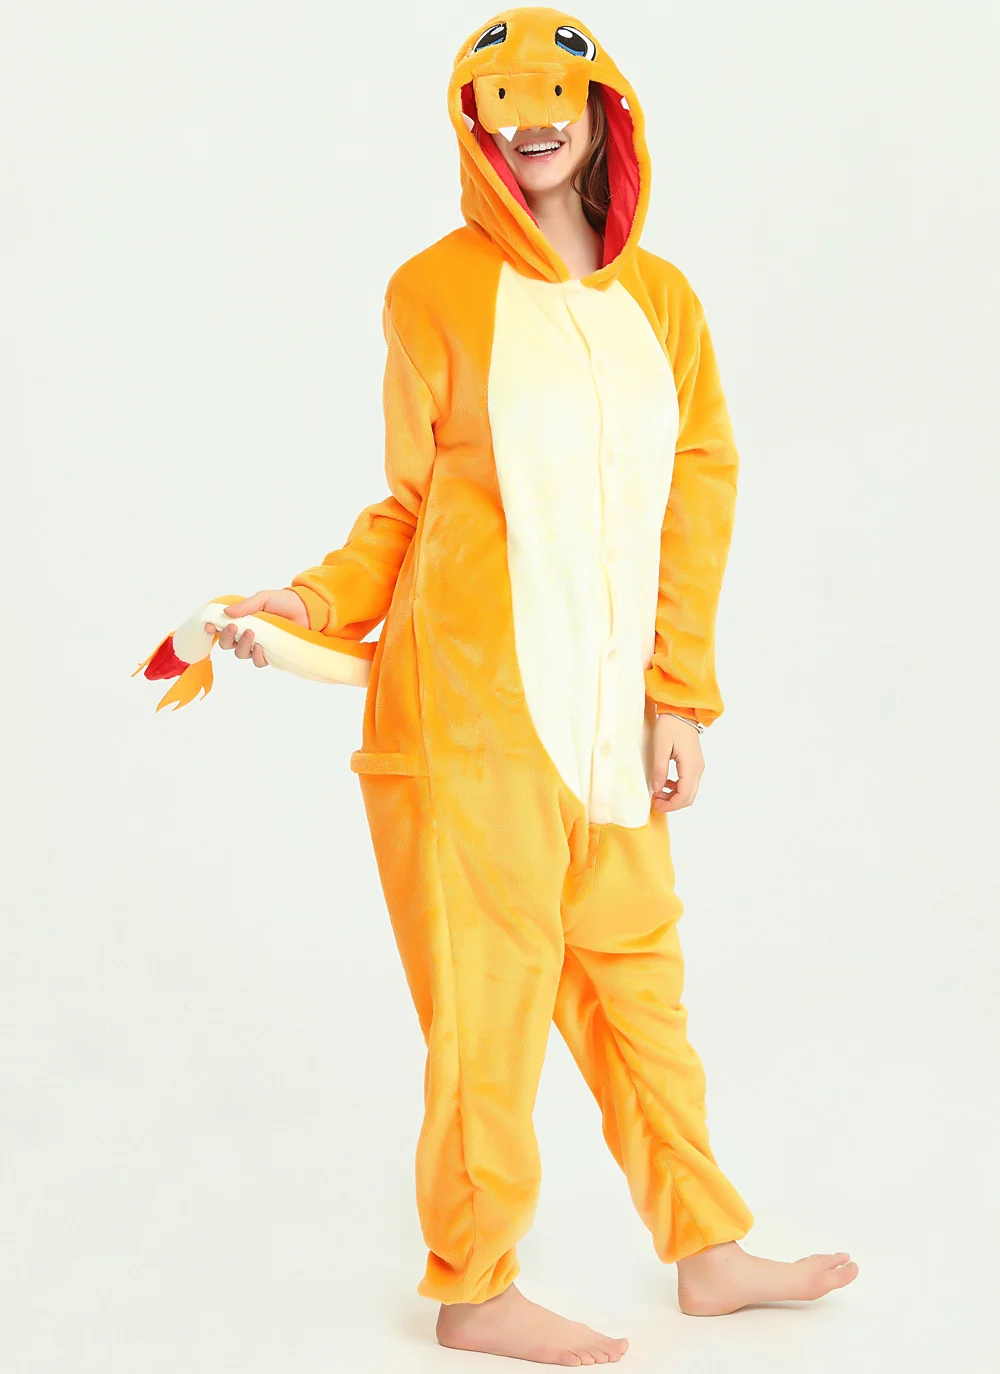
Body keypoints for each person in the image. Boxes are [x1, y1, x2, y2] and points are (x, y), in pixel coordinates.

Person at [209, 9, 858, 1367]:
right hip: (471, 722)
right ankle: (474, 1285)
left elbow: (699, 496)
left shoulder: (663, 302)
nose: (532, 120)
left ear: (602, 110)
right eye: (500, 102)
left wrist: (680, 694)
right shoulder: (432, 292)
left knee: (639, 988)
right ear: (476, 127)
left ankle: (708, 1249)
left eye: (554, 95)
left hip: (610, 718)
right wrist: (314, 601)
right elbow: (408, 505)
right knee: (488, 1007)